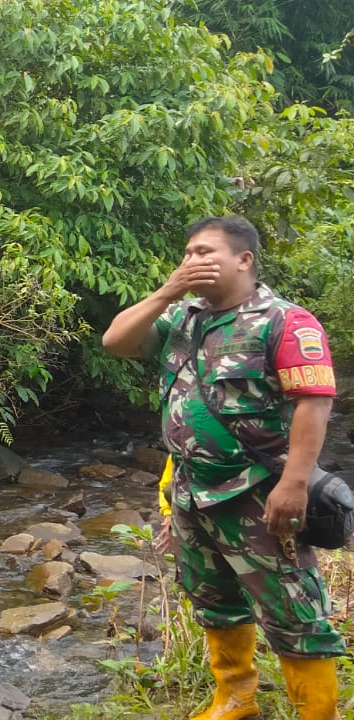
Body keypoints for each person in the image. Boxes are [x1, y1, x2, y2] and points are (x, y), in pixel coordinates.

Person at [102, 216, 342, 720]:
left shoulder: (284, 321)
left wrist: (295, 484)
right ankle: (236, 698)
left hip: (260, 492)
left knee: (295, 615)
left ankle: (318, 714)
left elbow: (314, 403)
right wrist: (166, 292)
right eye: (188, 252)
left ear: (244, 259)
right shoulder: (182, 318)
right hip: (192, 493)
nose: (193, 260)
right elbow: (116, 342)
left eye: (206, 251)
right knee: (214, 601)